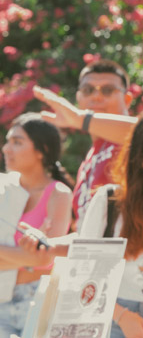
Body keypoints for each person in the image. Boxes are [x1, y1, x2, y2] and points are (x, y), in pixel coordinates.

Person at [23, 108, 143, 338]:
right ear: (142, 159)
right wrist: (122, 316)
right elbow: (82, 274)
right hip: (116, 320)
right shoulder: (110, 202)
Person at [32, 59, 139, 222]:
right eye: (88, 90)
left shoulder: (136, 141)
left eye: (108, 90)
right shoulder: (90, 158)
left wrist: (80, 119)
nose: (96, 96)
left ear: (127, 100)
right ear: (78, 97)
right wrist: (50, 246)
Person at [0, 113, 73, 338]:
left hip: (36, 299)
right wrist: (26, 256)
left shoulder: (58, 195)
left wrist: (31, 258)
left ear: (41, 151)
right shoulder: (2, 187)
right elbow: (35, 258)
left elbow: (46, 259)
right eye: (8, 141)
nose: (6, 149)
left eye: (17, 142)